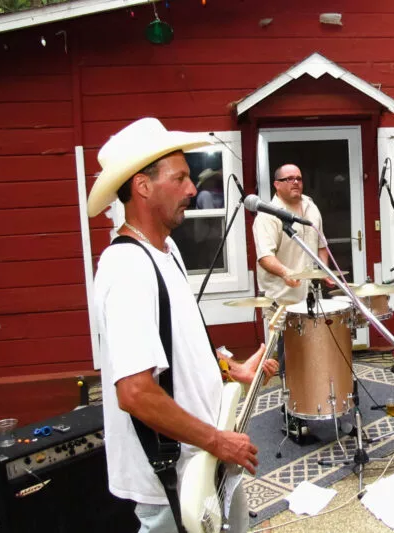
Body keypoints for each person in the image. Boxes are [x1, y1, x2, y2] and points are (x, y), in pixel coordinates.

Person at [87, 117, 279, 532]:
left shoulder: (167, 250)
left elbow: (176, 346)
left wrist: (230, 369)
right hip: (174, 483)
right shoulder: (126, 267)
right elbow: (136, 392)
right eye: (181, 178)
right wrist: (217, 440)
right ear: (142, 186)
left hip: (209, 462)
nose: (193, 189)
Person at [252, 163, 332, 305]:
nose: (296, 182)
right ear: (277, 184)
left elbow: (321, 246)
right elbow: (265, 257)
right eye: (289, 179)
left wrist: (325, 271)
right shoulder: (267, 216)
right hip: (282, 298)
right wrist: (285, 272)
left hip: (312, 295)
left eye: (299, 179)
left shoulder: (311, 207)